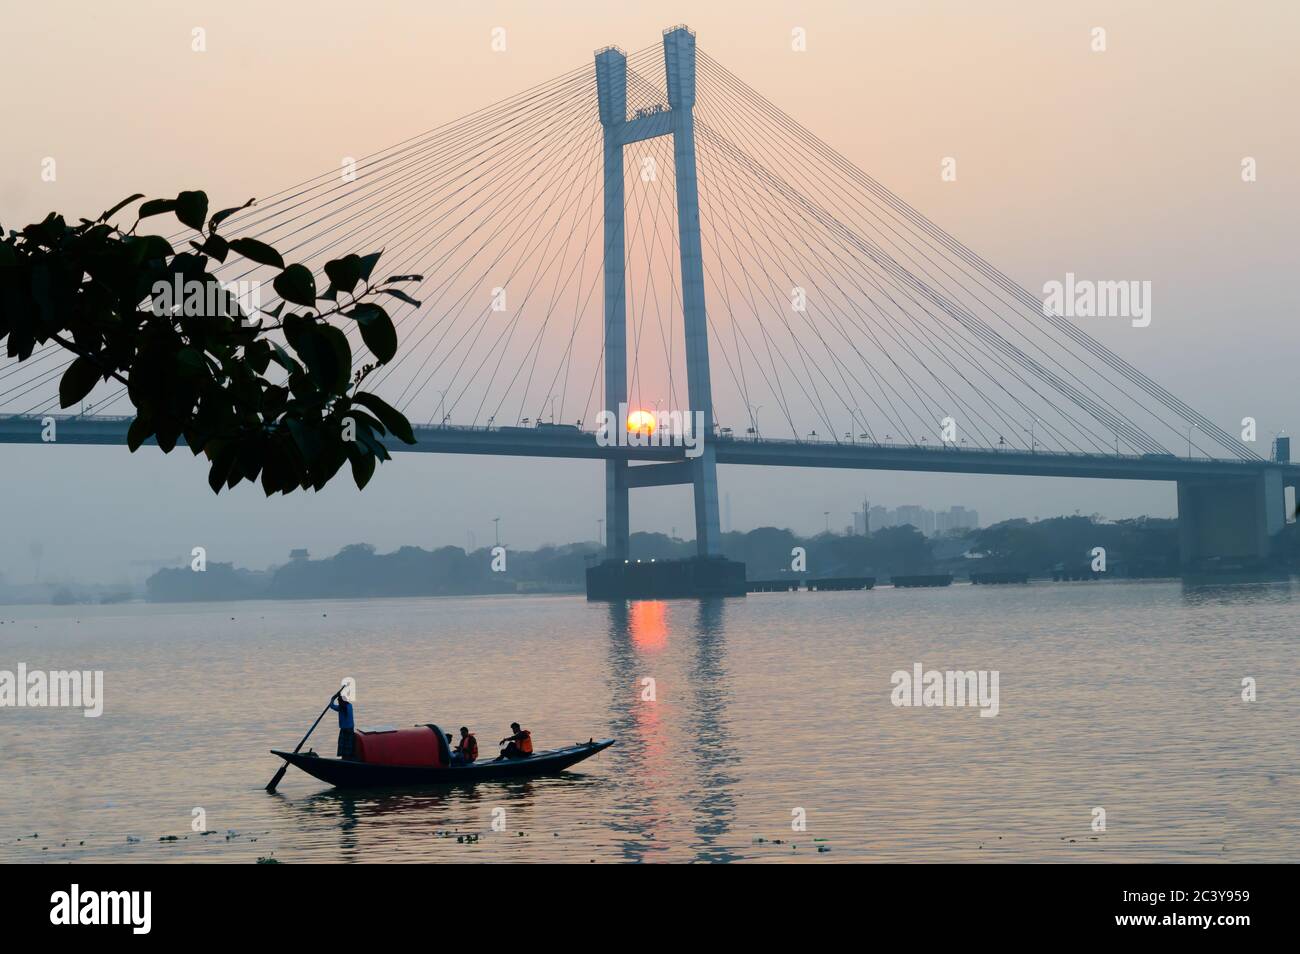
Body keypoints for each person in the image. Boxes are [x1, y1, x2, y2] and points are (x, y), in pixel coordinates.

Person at [329, 691, 355, 760]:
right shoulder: (349, 705)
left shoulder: (341, 708)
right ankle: (346, 758)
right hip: (350, 729)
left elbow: (331, 705)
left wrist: (333, 697)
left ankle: (345, 759)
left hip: (345, 730)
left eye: (339, 701)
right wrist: (339, 696)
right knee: (347, 747)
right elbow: (342, 703)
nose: (338, 702)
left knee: (344, 747)